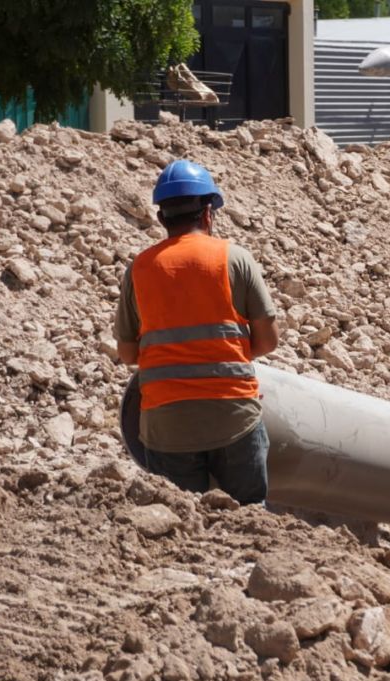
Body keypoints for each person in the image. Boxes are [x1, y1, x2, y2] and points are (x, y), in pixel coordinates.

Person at [114, 159, 280, 504]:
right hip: (234, 417)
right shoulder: (235, 259)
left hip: (165, 426)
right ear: (208, 213)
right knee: (251, 519)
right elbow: (268, 341)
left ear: (161, 218)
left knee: (181, 520)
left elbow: (128, 354)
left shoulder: (140, 269)